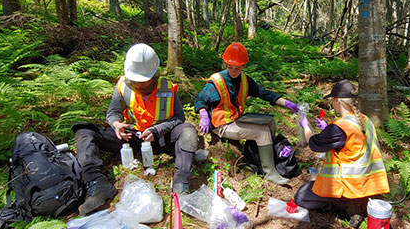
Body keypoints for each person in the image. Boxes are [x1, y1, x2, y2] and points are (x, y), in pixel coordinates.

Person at [74, 43, 198, 215]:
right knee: (84, 132)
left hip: (160, 138)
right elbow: (113, 112)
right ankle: (96, 183)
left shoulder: (167, 88)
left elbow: (178, 118)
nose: (139, 85)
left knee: (188, 131)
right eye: (136, 81)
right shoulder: (123, 85)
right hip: (130, 138)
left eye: (144, 81)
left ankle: (181, 185)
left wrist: (156, 130)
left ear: (154, 75)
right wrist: (116, 125)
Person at [195, 42, 299, 185]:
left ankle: (263, 154)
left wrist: (286, 103)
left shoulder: (245, 80)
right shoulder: (216, 81)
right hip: (221, 124)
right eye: (230, 67)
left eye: (237, 68)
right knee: (262, 132)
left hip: (237, 118)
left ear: (243, 66)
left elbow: (263, 93)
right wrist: (204, 115)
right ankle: (269, 172)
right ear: (225, 63)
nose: (233, 71)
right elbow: (201, 100)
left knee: (270, 122)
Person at [294, 80, 389, 226]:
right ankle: (359, 202)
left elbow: (314, 144)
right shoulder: (365, 119)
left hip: (349, 186)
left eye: (332, 99)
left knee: (301, 197)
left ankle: (345, 207)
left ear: (337, 100)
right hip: (370, 183)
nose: (332, 102)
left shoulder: (340, 127)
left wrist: (306, 127)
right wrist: (327, 130)